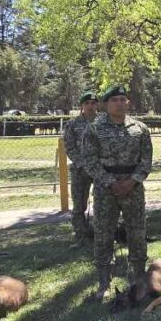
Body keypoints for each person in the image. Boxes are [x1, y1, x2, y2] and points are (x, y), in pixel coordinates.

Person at [83, 85, 152, 301]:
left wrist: (131, 181)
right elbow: (89, 161)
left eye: (123, 99)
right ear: (106, 104)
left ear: (128, 102)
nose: (119, 103)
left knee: (137, 233)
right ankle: (104, 281)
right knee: (104, 234)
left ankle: (139, 278)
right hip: (106, 190)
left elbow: (147, 160)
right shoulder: (94, 129)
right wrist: (111, 182)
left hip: (134, 188)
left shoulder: (140, 128)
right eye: (114, 100)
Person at [63, 91, 99, 246]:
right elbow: (69, 147)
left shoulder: (104, 122)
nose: (90, 106)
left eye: (93, 103)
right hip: (80, 170)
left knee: (103, 204)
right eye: (87, 103)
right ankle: (80, 237)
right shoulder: (73, 124)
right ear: (82, 106)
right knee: (79, 205)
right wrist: (81, 163)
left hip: (100, 170)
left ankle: (102, 235)